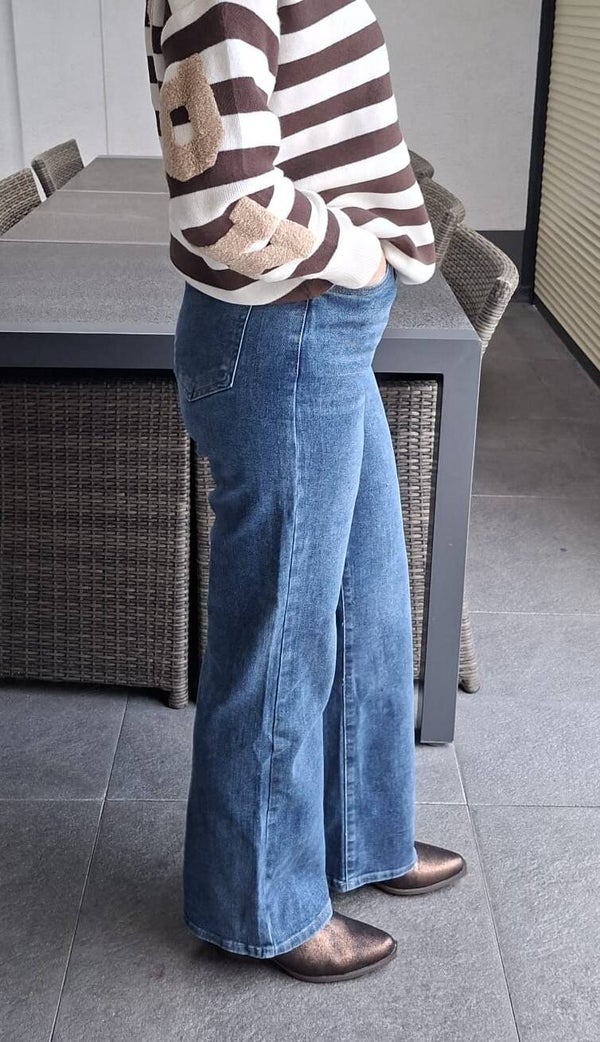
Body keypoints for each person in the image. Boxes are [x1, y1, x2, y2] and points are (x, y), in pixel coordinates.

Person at [144, 0, 466, 984]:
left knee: (368, 599)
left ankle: (361, 834)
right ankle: (261, 903)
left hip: (317, 328)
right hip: (286, 328)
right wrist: (360, 257)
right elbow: (219, 197)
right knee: (282, 635)